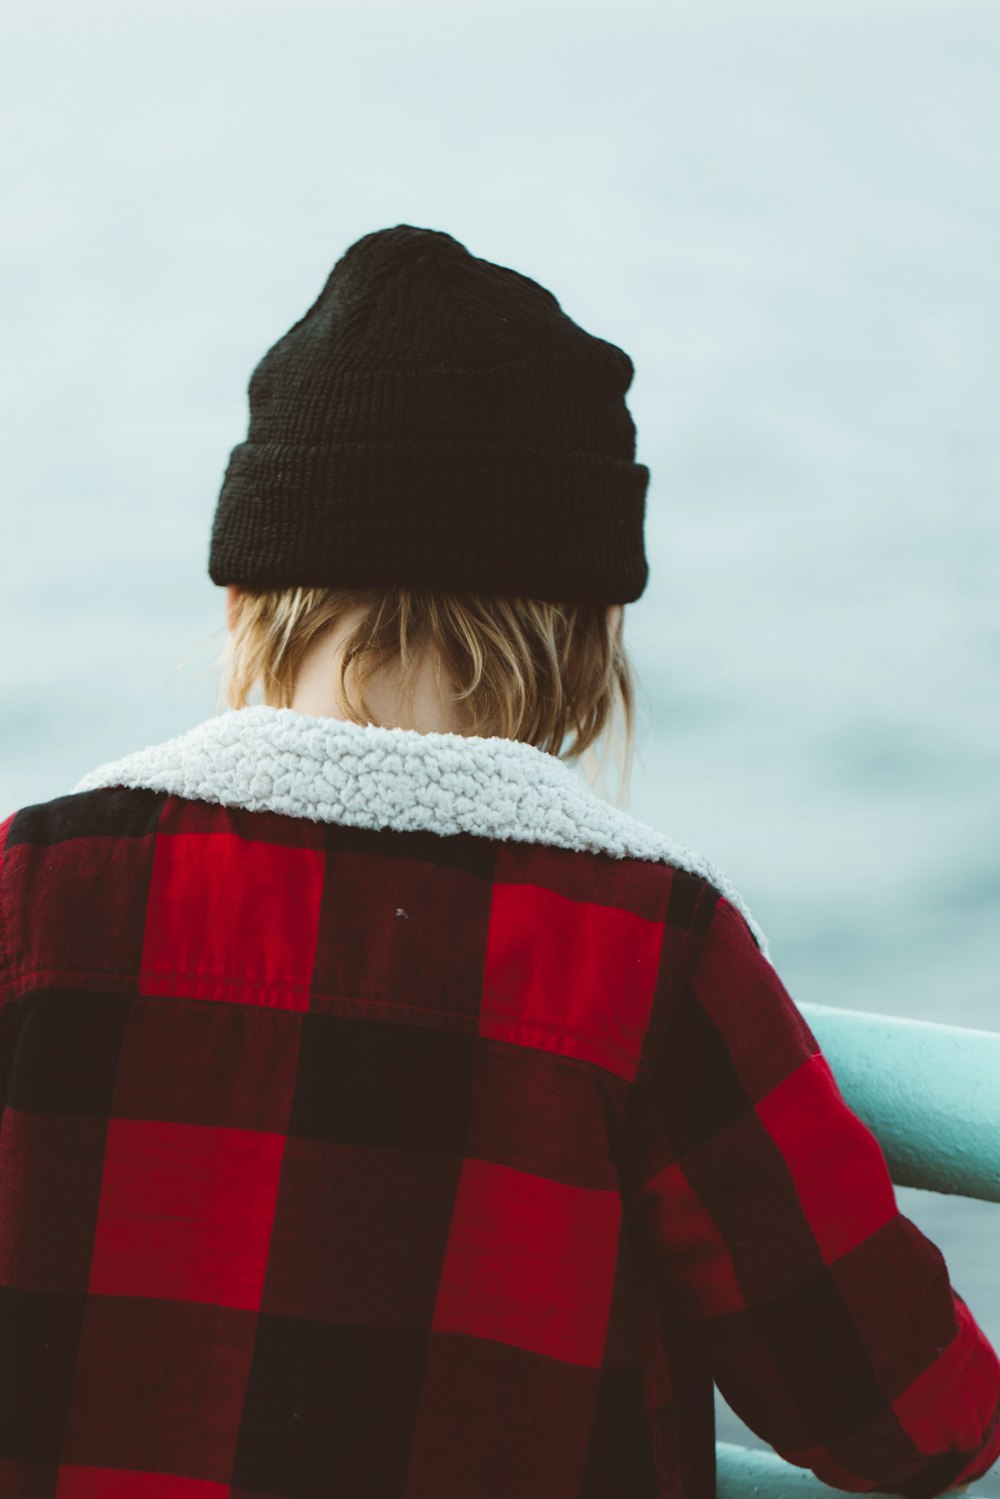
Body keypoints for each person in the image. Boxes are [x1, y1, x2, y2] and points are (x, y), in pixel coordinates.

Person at [0, 224, 996, 1499]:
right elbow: (915, 1418)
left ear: (247, 595)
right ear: (586, 637)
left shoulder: (42, 888)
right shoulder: (648, 945)